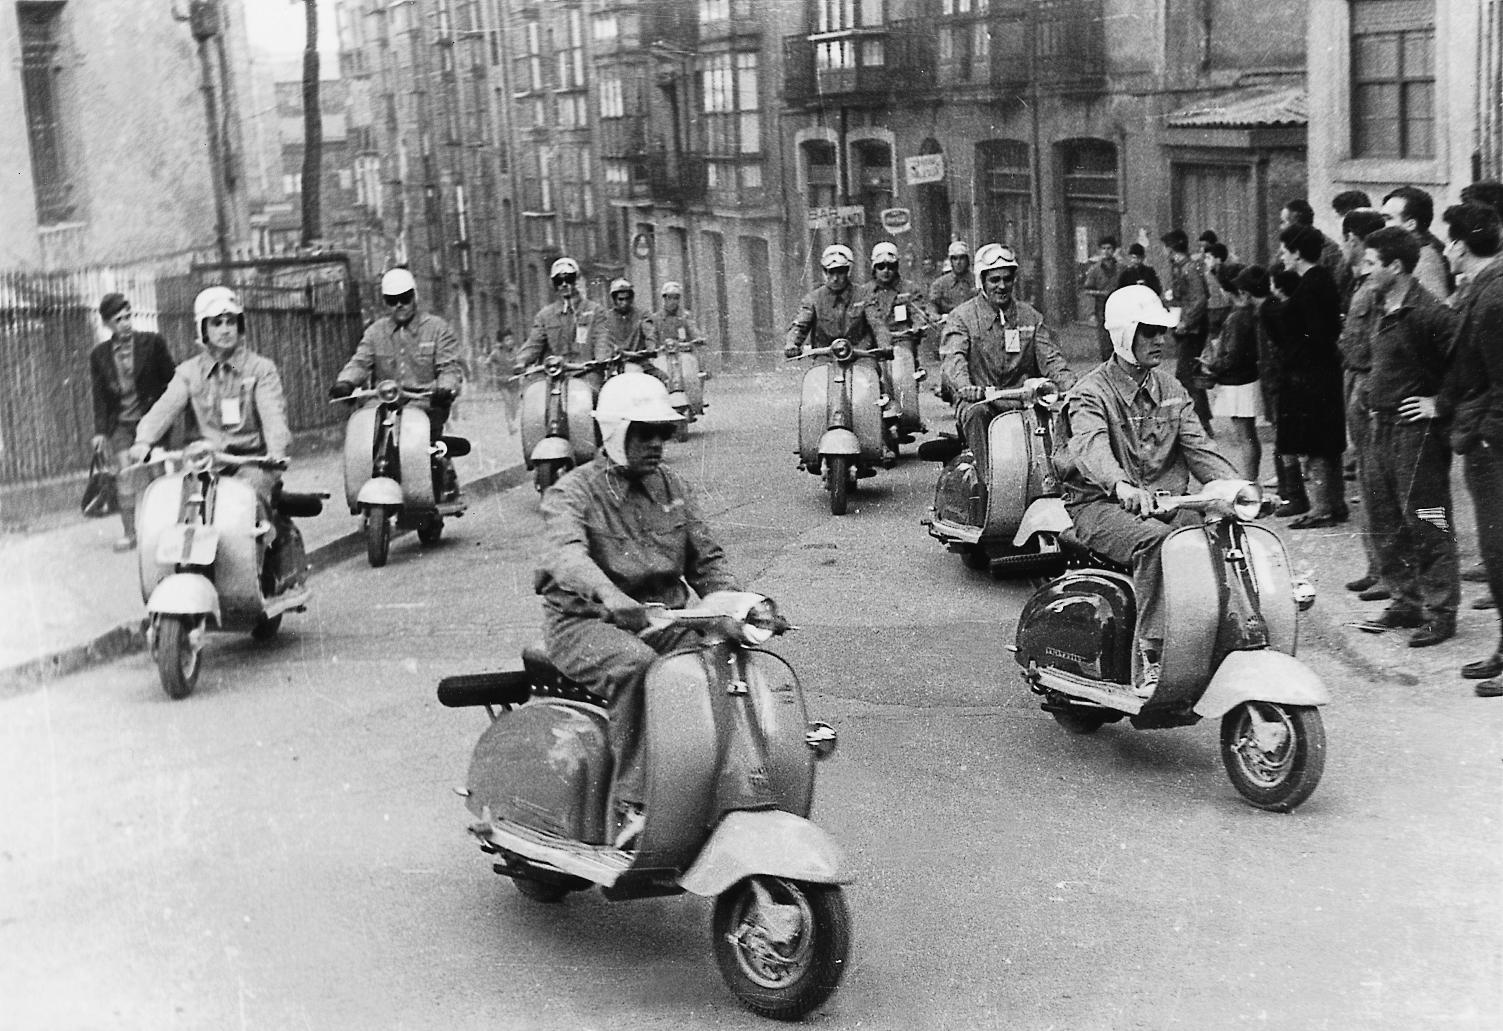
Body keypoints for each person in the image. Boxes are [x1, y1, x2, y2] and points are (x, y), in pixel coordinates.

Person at [534, 372, 741, 848]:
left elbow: (707, 560)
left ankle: (717, 779)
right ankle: (635, 805)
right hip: (585, 623)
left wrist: (733, 604)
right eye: (644, 433)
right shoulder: (571, 492)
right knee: (639, 668)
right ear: (614, 432)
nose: (656, 444)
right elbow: (566, 556)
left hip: (661, 619)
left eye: (662, 433)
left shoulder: (673, 487)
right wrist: (611, 597)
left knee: (722, 656)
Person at [1055, 285, 1239, 695]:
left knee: (1221, 530)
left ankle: (1223, 632)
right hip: (1101, 506)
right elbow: (1090, 447)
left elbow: (1199, 447)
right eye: (1149, 332)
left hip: (1165, 502)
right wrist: (1120, 484)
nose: (1160, 340)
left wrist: (1236, 487)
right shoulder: (1090, 393)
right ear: (1124, 335)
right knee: (1159, 543)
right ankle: (1153, 654)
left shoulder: (1171, 389)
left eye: (1162, 331)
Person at [128, 287, 300, 592]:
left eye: (231, 321)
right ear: (203, 329)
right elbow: (164, 408)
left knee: (249, 499)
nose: (225, 329)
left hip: (250, 461)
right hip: (205, 463)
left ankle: (265, 566)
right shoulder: (188, 373)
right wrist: (144, 441)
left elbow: (273, 415)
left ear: (240, 325)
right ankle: (184, 572)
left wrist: (276, 450)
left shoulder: (260, 370)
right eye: (216, 323)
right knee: (179, 508)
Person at [1356, 225, 1460, 646]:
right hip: (1379, 427)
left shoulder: (1431, 313)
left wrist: (1440, 402)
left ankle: (1440, 612)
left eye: (1370, 263)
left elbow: (1469, 364)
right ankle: (1405, 600)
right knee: (1384, 519)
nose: (1362, 270)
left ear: (1395, 266)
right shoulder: (1382, 305)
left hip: (1415, 432)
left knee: (1428, 519)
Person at [328, 267, 466, 498]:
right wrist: (345, 382)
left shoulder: (436, 328)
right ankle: (365, 486)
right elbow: (360, 362)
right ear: (385, 302)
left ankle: (441, 474)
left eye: (405, 298)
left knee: (419, 438)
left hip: (424, 400)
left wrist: (445, 388)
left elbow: (449, 367)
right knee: (363, 430)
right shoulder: (375, 332)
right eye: (392, 300)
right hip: (384, 401)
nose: (399, 305)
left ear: (414, 296)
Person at [941, 243, 1075, 475]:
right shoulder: (961, 317)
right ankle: (988, 481)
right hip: (982, 402)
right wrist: (965, 387)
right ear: (982, 281)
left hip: (1025, 402)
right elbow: (954, 358)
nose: (1002, 286)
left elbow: (1051, 358)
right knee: (976, 414)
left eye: (1007, 279)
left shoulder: (1030, 317)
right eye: (994, 280)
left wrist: (1071, 386)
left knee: (1063, 416)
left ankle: (1056, 480)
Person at [1440, 201, 1503, 693]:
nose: (1446, 252)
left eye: (1449, 243)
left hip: (1493, 442)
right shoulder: (1482, 287)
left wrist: (1487, 432)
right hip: (1484, 434)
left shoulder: (1494, 295)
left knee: (1499, 548)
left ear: (1460, 246)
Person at [88, 292, 175, 551]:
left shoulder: (152, 343)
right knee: (124, 476)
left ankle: (163, 530)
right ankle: (130, 533)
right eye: (118, 320)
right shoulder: (99, 355)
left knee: (157, 475)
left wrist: (166, 414)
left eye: (128, 317)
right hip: (121, 425)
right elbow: (100, 396)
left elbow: (171, 380)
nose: (126, 323)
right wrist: (100, 431)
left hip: (152, 422)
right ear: (107, 324)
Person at [1274, 223, 1347, 527]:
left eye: (1285, 250)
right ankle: (1334, 503)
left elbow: (1315, 335)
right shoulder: (1322, 279)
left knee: (1316, 442)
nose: (1282, 256)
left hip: (1310, 374)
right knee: (1326, 442)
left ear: (1297, 253)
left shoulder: (1309, 287)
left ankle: (1321, 508)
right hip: (1323, 371)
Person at [1336, 208, 1391, 600]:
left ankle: (1392, 572)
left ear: (1354, 240)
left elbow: (1379, 341)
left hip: (1368, 383)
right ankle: (1377, 566)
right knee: (1367, 482)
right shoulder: (1361, 282)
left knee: (1378, 483)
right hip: (1355, 377)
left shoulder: (1375, 287)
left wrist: (1370, 390)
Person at [1201, 264, 1267, 482]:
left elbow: (1232, 356)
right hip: (1247, 378)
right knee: (1248, 434)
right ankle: (1250, 478)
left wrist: (1212, 366)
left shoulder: (1236, 317)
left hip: (1237, 382)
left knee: (1244, 435)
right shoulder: (1248, 313)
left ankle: (1249, 480)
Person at [512, 257, 609, 376]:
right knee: (534, 387)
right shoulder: (545, 315)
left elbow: (601, 338)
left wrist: (601, 359)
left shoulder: (595, 311)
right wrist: (522, 361)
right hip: (555, 375)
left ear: (576, 280)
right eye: (558, 281)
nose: (564, 284)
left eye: (569, 279)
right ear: (554, 284)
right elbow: (534, 343)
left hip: (586, 373)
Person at [1161, 229, 1213, 435]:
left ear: (1171, 249)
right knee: (1190, 373)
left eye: (1165, 248)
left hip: (1193, 329)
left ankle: (1201, 424)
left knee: (1186, 375)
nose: (1164, 252)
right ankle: (1203, 420)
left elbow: (1201, 299)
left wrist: (1186, 321)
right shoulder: (1182, 267)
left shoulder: (1189, 268)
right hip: (1187, 327)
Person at [784, 244, 880, 356]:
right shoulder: (813, 299)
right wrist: (791, 343)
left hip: (860, 356)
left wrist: (884, 344)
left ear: (848, 272)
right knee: (817, 369)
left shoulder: (864, 295)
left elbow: (877, 324)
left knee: (867, 368)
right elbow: (800, 325)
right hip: (825, 357)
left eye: (840, 272)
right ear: (825, 272)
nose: (835, 278)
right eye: (831, 272)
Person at [860, 240, 933, 379]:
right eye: (881, 266)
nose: (886, 271)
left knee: (905, 376)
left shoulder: (909, 289)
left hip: (902, 341)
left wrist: (918, 325)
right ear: (874, 268)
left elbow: (918, 312)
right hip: (873, 345)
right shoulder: (864, 292)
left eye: (891, 266)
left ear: (897, 267)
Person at [1381, 186, 1454, 302]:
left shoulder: (1426, 260)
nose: (1382, 226)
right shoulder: (1406, 253)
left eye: (1388, 219)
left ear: (1411, 224)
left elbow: (1434, 307)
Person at [602, 278, 664, 381]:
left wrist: (651, 348)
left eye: (627, 299)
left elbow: (649, 333)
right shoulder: (606, 318)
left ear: (631, 299)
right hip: (615, 364)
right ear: (614, 300)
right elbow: (603, 340)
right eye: (621, 299)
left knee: (664, 379)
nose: (624, 303)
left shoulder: (642, 315)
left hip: (640, 361)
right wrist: (611, 351)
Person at [1082, 236, 1120, 362]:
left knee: (1119, 338)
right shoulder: (1094, 270)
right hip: (1102, 307)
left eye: (1109, 248)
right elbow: (1087, 290)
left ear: (1114, 250)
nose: (1106, 251)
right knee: (1105, 339)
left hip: (1119, 308)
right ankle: (1107, 365)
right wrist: (1100, 294)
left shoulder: (1121, 268)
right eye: (1103, 248)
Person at [653, 281, 705, 350]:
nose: (673, 301)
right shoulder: (656, 318)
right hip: (662, 354)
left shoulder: (685, 316)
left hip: (683, 352)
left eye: (676, 298)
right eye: (669, 297)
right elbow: (651, 336)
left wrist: (698, 338)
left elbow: (693, 330)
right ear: (664, 299)